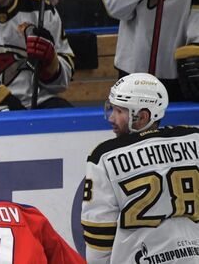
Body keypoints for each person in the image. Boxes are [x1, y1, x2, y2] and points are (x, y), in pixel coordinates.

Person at [81, 73, 199, 263]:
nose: (111, 117)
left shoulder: (104, 156)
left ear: (142, 117)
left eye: (119, 111)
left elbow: (99, 233)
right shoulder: (194, 139)